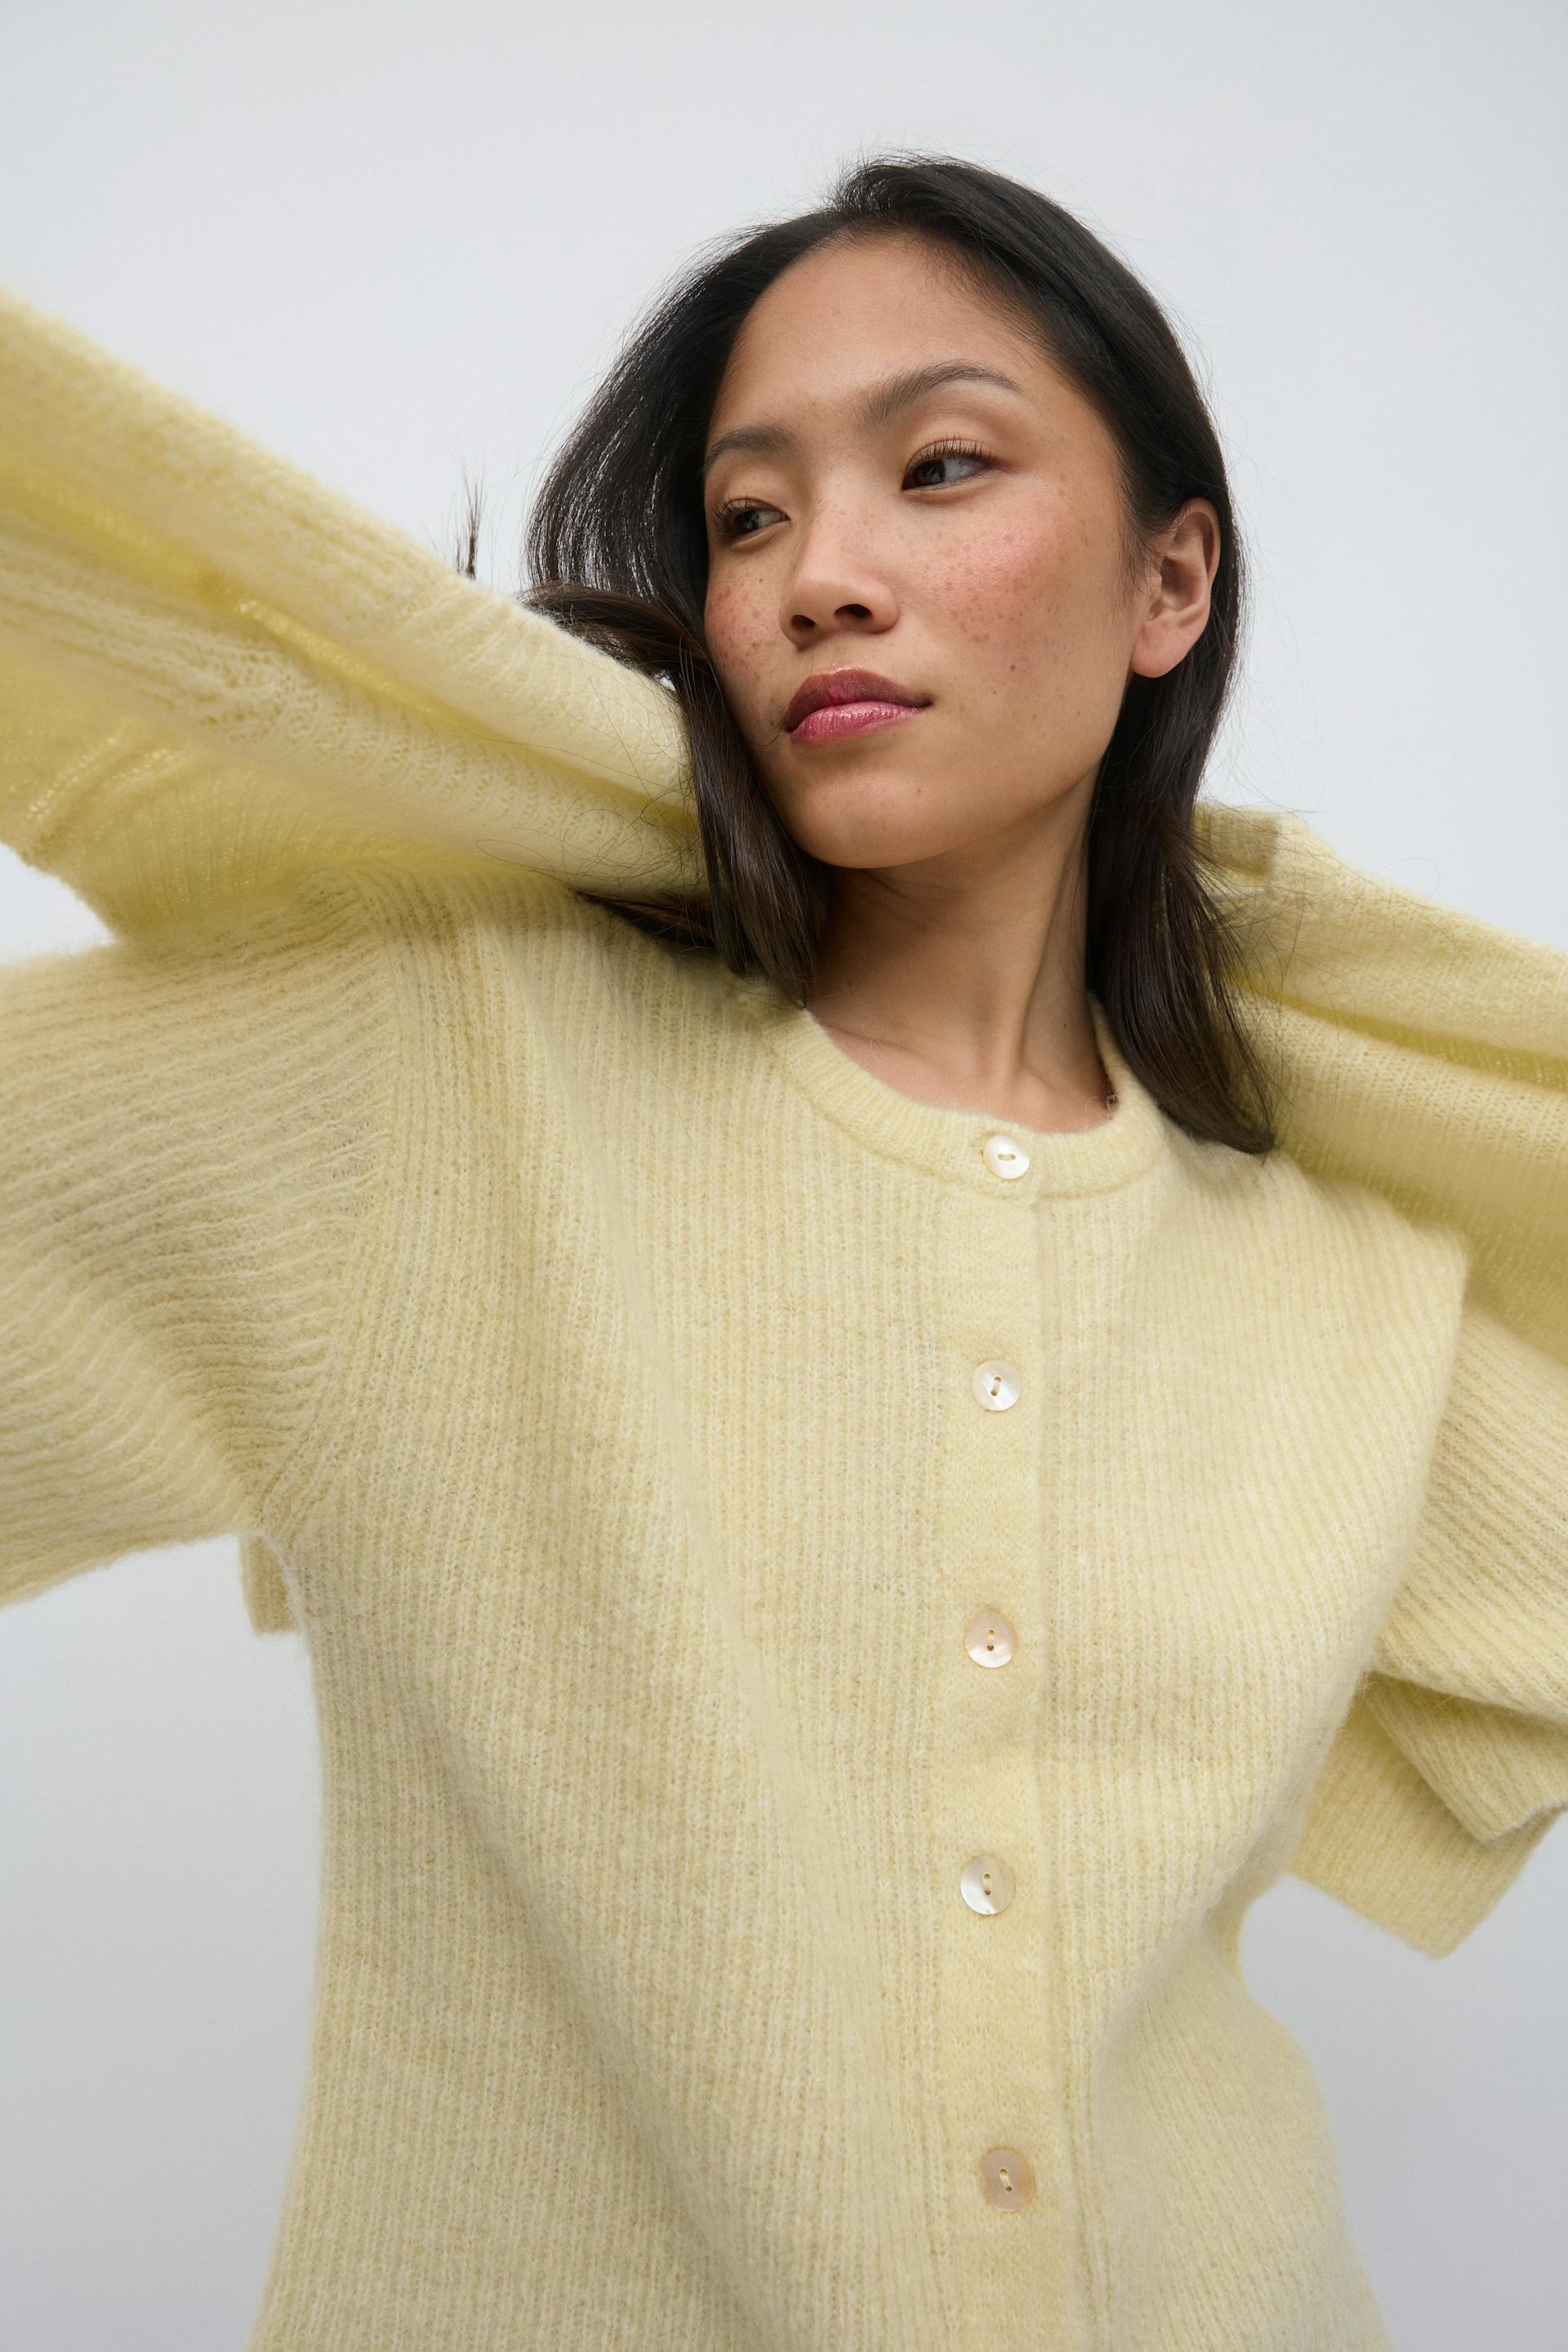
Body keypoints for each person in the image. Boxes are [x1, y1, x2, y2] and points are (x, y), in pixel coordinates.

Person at [1, 152, 1564, 2352]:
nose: (823, 576)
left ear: (1169, 581)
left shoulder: (1358, 1280)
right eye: (749, 518)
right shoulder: (440, 1074)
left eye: (940, 469)